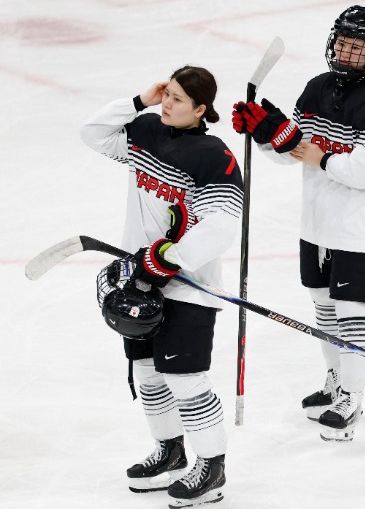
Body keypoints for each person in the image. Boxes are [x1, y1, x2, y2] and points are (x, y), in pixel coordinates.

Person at [232, 6, 365, 441]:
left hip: (363, 227)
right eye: (343, 43)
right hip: (318, 223)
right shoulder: (316, 89)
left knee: (353, 316)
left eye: (357, 47)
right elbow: (292, 149)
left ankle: (352, 396)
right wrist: (268, 133)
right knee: (324, 309)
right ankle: (335, 380)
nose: (346, 53)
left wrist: (318, 155)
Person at [81, 66, 241, 507]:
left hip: (188, 286)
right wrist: (137, 102)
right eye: (166, 94)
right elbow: (92, 133)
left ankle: (212, 466)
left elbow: (222, 226)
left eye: (177, 99)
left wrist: (168, 259)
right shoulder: (147, 130)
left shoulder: (214, 156)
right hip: (140, 282)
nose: (167, 104)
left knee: (185, 380)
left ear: (201, 110)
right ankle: (170, 452)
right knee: (148, 375)